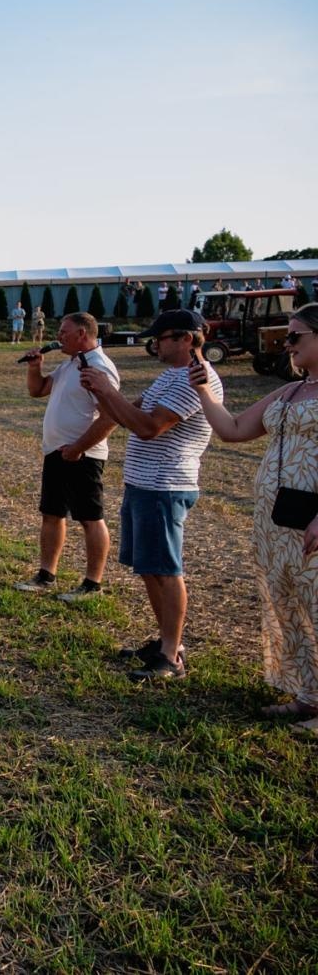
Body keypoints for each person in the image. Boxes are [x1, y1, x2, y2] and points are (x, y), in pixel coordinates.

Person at [189, 303, 318, 729]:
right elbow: (234, 429)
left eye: (295, 336)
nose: (287, 344)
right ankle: (309, 696)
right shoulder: (292, 391)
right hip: (276, 521)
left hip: (313, 522)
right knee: (290, 605)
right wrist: (204, 391)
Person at [79, 308, 223, 681]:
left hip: (165, 486)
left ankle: (171, 656)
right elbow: (128, 413)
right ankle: (166, 642)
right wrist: (101, 393)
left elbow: (147, 427)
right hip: (145, 485)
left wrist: (107, 390)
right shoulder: (172, 375)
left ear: (186, 339)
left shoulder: (194, 380)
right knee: (149, 569)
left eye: (160, 338)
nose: (154, 344)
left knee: (165, 570)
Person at [15, 313, 119, 600]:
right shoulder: (71, 363)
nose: (58, 337)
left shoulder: (98, 367)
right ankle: (46, 575)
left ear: (82, 334)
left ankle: (92, 584)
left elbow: (110, 417)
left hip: (83, 456)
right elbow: (38, 390)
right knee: (52, 514)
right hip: (57, 452)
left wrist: (79, 447)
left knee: (90, 518)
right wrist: (35, 367)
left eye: (64, 332)